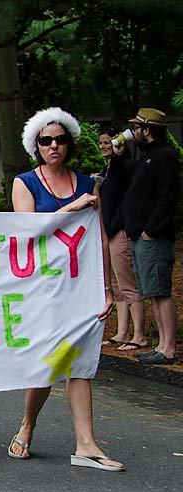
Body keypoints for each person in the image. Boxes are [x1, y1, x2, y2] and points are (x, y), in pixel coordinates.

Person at [6, 107, 123, 471]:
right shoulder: (25, 183)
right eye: (46, 140)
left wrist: (106, 287)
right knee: (49, 361)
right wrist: (73, 208)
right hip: (41, 286)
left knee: (80, 361)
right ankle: (27, 425)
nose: (53, 146)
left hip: (80, 284)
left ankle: (86, 444)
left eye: (60, 139)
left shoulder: (88, 185)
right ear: (36, 145)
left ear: (69, 143)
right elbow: (29, 232)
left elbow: (99, 239)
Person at [121, 108, 179, 365]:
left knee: (161, 291)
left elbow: (168, 197)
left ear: (146, 130)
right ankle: (162, 345)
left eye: (136, 128)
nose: (133, 132)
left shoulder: (164, 155)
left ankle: (169, 348)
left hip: (153, 237)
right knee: (153, 292)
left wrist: (150, 230)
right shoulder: (147, 156)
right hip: (140, 235)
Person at [96, 128, 147, 352]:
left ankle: (139, 334)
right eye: (101, 143)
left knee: (127, 282)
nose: (103, 146)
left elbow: (125, 198)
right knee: (115, 284)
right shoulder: (106, 170)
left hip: (119, 230)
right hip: (108, 230)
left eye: (108, 142)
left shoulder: (124, 167)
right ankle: (122, 331)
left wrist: (117, 225)